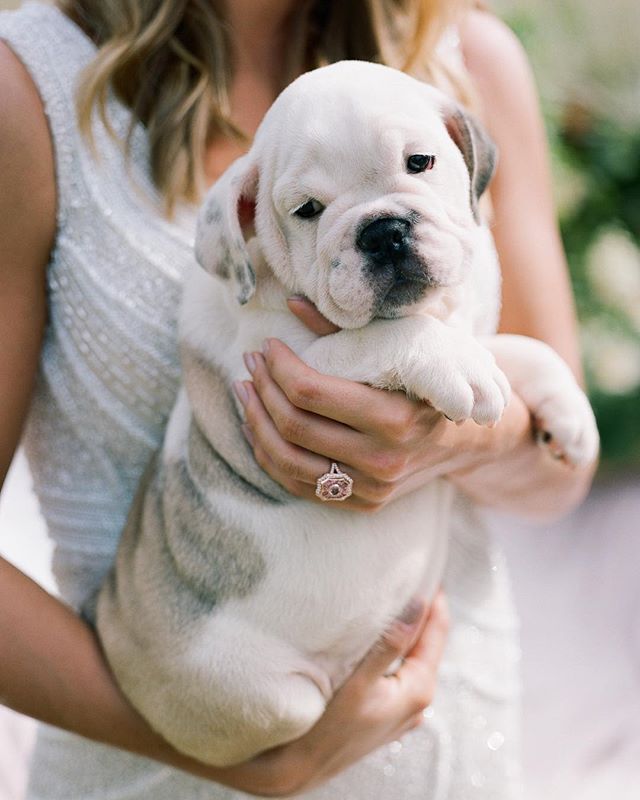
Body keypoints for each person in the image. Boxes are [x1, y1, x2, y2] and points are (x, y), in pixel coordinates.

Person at [0, 0, 596, 798]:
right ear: (250, 228)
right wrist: (232, 750)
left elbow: (562, 470)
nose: (384, 231)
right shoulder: (28, 89)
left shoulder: (470, 59)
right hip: (186, 719)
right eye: (309, 210)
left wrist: (456, 436)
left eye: (417, 168)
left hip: (447, 735)